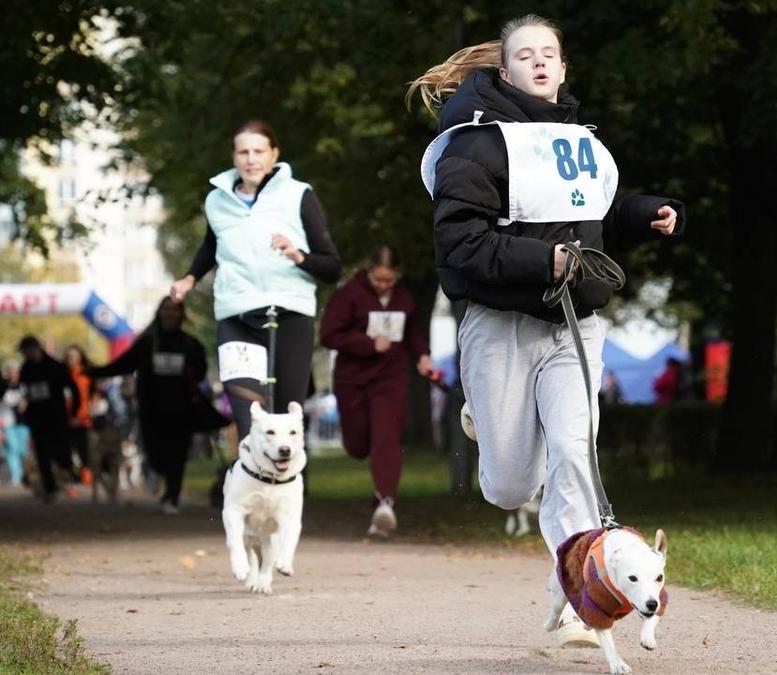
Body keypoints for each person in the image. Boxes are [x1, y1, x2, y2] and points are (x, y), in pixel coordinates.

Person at [409, 13, 685, 646]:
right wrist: (546, 260)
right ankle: (481, 410)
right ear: (504, 72)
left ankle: (577, 600)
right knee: (508, 487)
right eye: (525, 55)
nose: (539, 62)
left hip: (574, 325)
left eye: (549, 54)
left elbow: (600, 221)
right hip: (499, 325)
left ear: (562, 70)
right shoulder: (471, 146)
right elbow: (458, 245)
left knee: (574, 456)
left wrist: (648, 214)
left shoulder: (585, 142)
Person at [169, 119, 341, 441]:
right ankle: (249, 490)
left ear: (274, 154)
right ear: (234, 157)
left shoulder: (299, 195)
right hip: (237, 315)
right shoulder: (216, 201)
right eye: (243, 152)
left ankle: (293, 492)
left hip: (290, 313)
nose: (251, 159)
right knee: (249, 421)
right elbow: (211, 245)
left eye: (259, 151)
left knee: (288, 424)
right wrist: (189, 279)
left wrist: (297, 255)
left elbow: (332, 267)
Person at [319, 244, 434, 536]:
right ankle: (366, 456)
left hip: (391, 378)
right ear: (368, 273)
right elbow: (329, 335)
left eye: (389, 280)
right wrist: (368, 344)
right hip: (353, 380)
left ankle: (385, 504)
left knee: (387, 437)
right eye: (378, 279)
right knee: (358, 445)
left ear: (397, 276)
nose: (383, 285)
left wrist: (422, 356)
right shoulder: (348, 295)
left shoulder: (403, 297)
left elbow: (412, 334)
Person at [89, 298, 210, 514]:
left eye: (174, 310)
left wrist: (192, 372)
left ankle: (172, 496)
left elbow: (201, 372)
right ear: (159, 313)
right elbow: (125, 363)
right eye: (166, 310)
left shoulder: (191, 344)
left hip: (181, 408)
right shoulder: (147, 342)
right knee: (155, 451)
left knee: (178, 453)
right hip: (151, 407)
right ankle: (158, 473)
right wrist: (94, 371)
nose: (170, 314)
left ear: (181, 315)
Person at [17, 336, 80, 502]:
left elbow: (73, 389)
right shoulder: (26, 369)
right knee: (42, 455)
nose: (28, 355)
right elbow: (24, 393)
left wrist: (74, 411)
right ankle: (50, 489)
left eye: (29, 351)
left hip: (57, 417)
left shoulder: (56, 366)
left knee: (62, 453)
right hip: (37, 420)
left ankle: (67, 479)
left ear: (37, 349)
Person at [63, 344, 95, 485]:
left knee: (85, 449)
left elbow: (95, 395)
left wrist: (89, 412)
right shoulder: (62, 374)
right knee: (67, 450)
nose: (71, 359)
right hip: (65, 418)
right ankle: (71, 478)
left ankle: (87, 476)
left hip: (84, 419)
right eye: (69, 356)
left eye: (74, 356)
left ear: (80, 357)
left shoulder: (87, 373)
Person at [1, 360, 31, 487]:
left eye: (15, 371)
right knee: (12, 448)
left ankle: (26, 474)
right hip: (7, 422)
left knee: (23, 450)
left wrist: (26, 402)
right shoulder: (3, 386)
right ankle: (16, 476)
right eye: (10, 371)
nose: (13, 373)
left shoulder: (25, 385)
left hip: (24, 422)